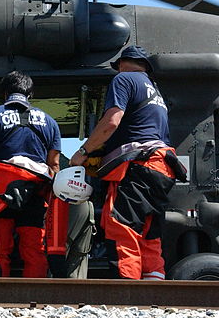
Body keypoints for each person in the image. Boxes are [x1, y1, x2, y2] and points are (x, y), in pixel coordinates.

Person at [69, 45, 185, 280]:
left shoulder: (124, 79)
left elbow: (112, 121)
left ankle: (127, 293)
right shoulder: (155, 90)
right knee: (148, 234)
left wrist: (83, 151)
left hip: (137, 167)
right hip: (161, 167)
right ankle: (153, 290)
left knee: (122, 227)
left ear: (122, 64)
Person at [0, 71, 61, 277]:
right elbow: (54, 164)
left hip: (1, 193)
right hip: (36, 192)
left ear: (5, 93)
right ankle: (36, 296)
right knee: (34, 249)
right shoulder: (50, 122)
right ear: (30, 94)